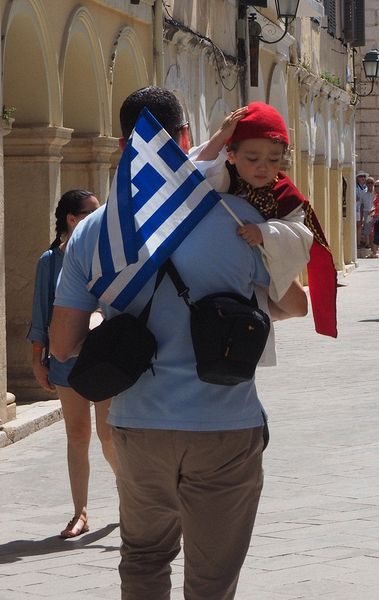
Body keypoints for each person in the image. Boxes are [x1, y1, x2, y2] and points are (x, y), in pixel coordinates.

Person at [49, 86, 308, 600]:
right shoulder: (243, 221)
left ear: (126, 145)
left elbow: (62, 346)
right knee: (212, 580)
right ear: (186, 140)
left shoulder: (94, 232)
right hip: (225, 425)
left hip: (138, 426)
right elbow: (294, 305)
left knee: (143, 561)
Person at [191, 101, 337, 338]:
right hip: (224, 266)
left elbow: (299, 232)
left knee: (298, 306)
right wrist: (221, 136)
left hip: (267, 263)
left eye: (273, 159)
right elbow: (195, 176)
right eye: (252, 158)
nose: (263, 167)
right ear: (232, 155)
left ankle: (254, 314)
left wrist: (264, 233)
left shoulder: (285, 193)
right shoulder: (225, 177)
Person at [27, 189, 117, 539]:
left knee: (109, 434)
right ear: (71, 219)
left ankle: (131, 495)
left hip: (104, 357)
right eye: (91, 213)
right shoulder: (49, 262)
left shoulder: (104, 254)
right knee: (77, 434)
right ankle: (80, 512)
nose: (98, 219)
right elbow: (40, 313)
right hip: (65, 359)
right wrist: (38, 359)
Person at [361, 176, 376, 249]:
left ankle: (375, 245)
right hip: (367, 212)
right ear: (366, 184)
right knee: (368, 228)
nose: (370, 184)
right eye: (368, 183)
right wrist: (361, 217)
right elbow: (362, 205)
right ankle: (368, 243)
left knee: (375, 229)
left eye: (371, 183)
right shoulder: (363, 193)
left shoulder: (376, 192)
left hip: (375, 212)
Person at [366, 179, 379, 258]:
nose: (377, 188)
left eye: (378, 186)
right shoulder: (376, 196)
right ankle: (374, 251)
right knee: (373, 233)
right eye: (376, 186)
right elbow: (373, 207)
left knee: (375, 233)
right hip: (374, 216)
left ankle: (374, 252)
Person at [356, 170, 368, 248]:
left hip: (366, 208)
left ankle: (367, 242)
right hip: (358, 208)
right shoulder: (356, 187)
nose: (363, 178)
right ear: (358, 178)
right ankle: (358, 242)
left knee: (366, 225)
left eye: (364, 176)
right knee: (358, 225)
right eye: (361, 176)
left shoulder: (367, 187)